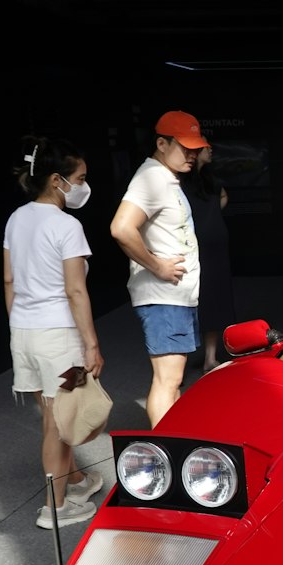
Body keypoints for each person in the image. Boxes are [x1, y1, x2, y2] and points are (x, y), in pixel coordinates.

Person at [2, 136, 105, 530]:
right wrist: (91, 344)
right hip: (60, 340)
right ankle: (55, 507)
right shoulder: (67, 225)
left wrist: (22, 322)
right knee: (58, 423)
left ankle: (76, 480)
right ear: (58, 179)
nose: (83, 184)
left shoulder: (16, 219)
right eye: (79, 177)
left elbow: (9, 281)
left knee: (53, 412)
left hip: (24, 335)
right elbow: (75, 290)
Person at [110, 110, 206, 426]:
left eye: (196, 148)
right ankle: (165, 451)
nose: (192, 155)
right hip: (165, 297)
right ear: (162, 144)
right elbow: (122, 228)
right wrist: (157, 267)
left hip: (175, 297)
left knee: (173, 380)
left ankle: (172, 444)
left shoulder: (165, 177)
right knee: (168, 380)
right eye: (185, 147)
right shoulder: (151, 177)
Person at [184, 139, 235, 371]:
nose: (211, 149)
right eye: (206, 147)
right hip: (191, 248)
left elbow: (223, 196)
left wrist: (212, 217)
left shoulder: (210, 178)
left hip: (215, 248)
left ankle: (210, 358)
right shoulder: (180, 180)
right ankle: (178, 361)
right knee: (189, 301)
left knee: (214, 299)